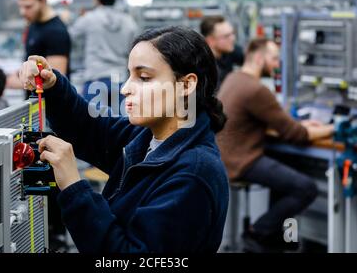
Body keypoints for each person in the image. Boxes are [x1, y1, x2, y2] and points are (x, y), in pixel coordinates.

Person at [18, 26, 229, 253]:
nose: (126, 88)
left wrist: (73, 186)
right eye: (129, 75)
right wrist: (52, 85)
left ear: (186, 85)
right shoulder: (147, 137)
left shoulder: (193, 175)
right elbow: (88, 129)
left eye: (144, 78)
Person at [216, 38, 334, 252]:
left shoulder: (234, 78)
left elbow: (278, 121)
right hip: (241, 161)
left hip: (225, 157)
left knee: (285, 166)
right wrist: (333, 128)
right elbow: (296, 134)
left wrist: (300, 123)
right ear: (259, 59)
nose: (277, 64)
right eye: (274, 59)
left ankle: (276, 237)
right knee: (305, 188)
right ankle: (257, 232)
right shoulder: (256, 89)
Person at [69, 0, 138, 112]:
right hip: (119, 78)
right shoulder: (128, 22)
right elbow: (135, 48)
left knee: (93, 126)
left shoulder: (89, 19)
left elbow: (69, 36)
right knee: (121, 125)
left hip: (96, 77)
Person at [7, 0, 71, 89]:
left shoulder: (56, 32)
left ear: (43, 0)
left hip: (50, 105)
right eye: (20, 6)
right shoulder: (33, 24)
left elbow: (54, 81)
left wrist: (14, 82)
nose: (22, 12)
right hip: (35, 103)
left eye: (28, 7)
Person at [200, 15, 244, 85]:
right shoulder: (201, 68)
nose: (233, 38)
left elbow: (249, 59)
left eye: (233, 33)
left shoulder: (230, 50)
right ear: (210, 41)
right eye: (227, 36)